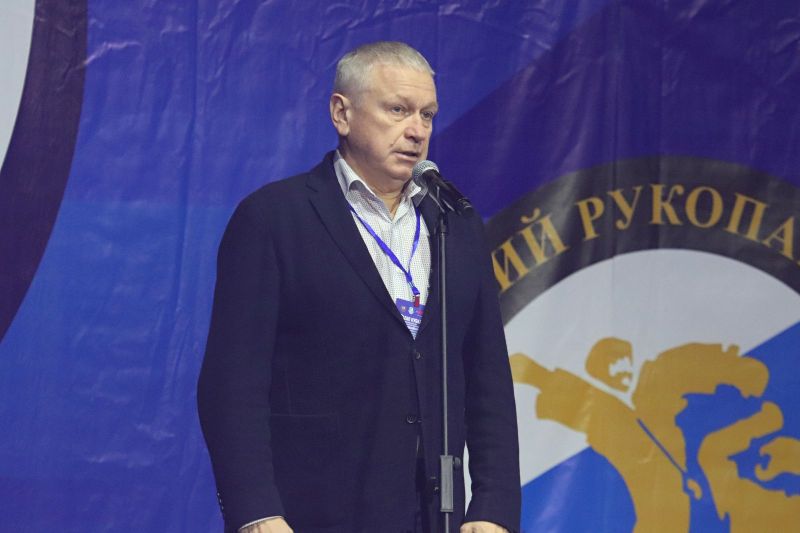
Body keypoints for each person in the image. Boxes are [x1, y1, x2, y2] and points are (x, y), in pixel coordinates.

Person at [197, 41, 520, 533]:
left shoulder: (454, 223)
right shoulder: (273, 218)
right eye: (398, 110)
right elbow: (232, 383)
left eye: (427, 115)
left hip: (432, 515)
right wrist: (256, 511)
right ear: (341, 113)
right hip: (308, 515)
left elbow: (487, 377)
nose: (417, 130)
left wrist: (494, 506)